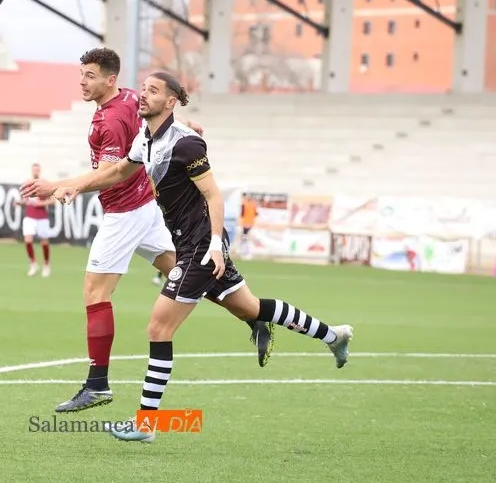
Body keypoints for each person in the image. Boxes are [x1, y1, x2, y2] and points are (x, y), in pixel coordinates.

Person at [34, 71, 354, 443]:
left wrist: (216, 244)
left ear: (170, 101)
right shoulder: (145, 138)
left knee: (158, 328)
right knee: (250, 308)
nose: (143, 95)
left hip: (201, 248)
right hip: (187, 244)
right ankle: (334, 336)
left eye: (153, 91)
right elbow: (120, 170)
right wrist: (72, 185)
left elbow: (214, 197)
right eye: (143, 89)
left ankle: (145, 424)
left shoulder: (186, 145)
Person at [21, 47, 274, 415]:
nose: (82, 81)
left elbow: (111, 173)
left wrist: (65, 184)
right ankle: (256, 317)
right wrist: (187, 123)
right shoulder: (127, 99)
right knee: (192, 276)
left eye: (90, 75)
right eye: (81, 74)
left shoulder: (108, 120)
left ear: (110, 79)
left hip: (125, 213)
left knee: (94, 291)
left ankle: (97, 384)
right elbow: (156, 115)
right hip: (148, 210)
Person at [17, 162, 54, 277]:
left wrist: (42, 203)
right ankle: (33, 264)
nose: (36, 172)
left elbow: (53, 200)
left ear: (40, 171)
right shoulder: (27, 183)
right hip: (29, 216)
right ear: (32, 171)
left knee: (44, 242)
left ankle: (46, 264)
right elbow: (25, 200)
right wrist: (20, 203)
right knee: (28, 239)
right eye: (34, 170)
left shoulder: (44, 184)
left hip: (42, 217)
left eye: (37, 170)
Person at [239, 194, 258, 259]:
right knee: (248, 239)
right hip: (251, 224)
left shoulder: (244, 204)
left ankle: (246, 253)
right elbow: (256, 214)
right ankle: (248, 253)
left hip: (245, 224)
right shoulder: (253, 204)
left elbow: (242, 214)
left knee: (245, 239)